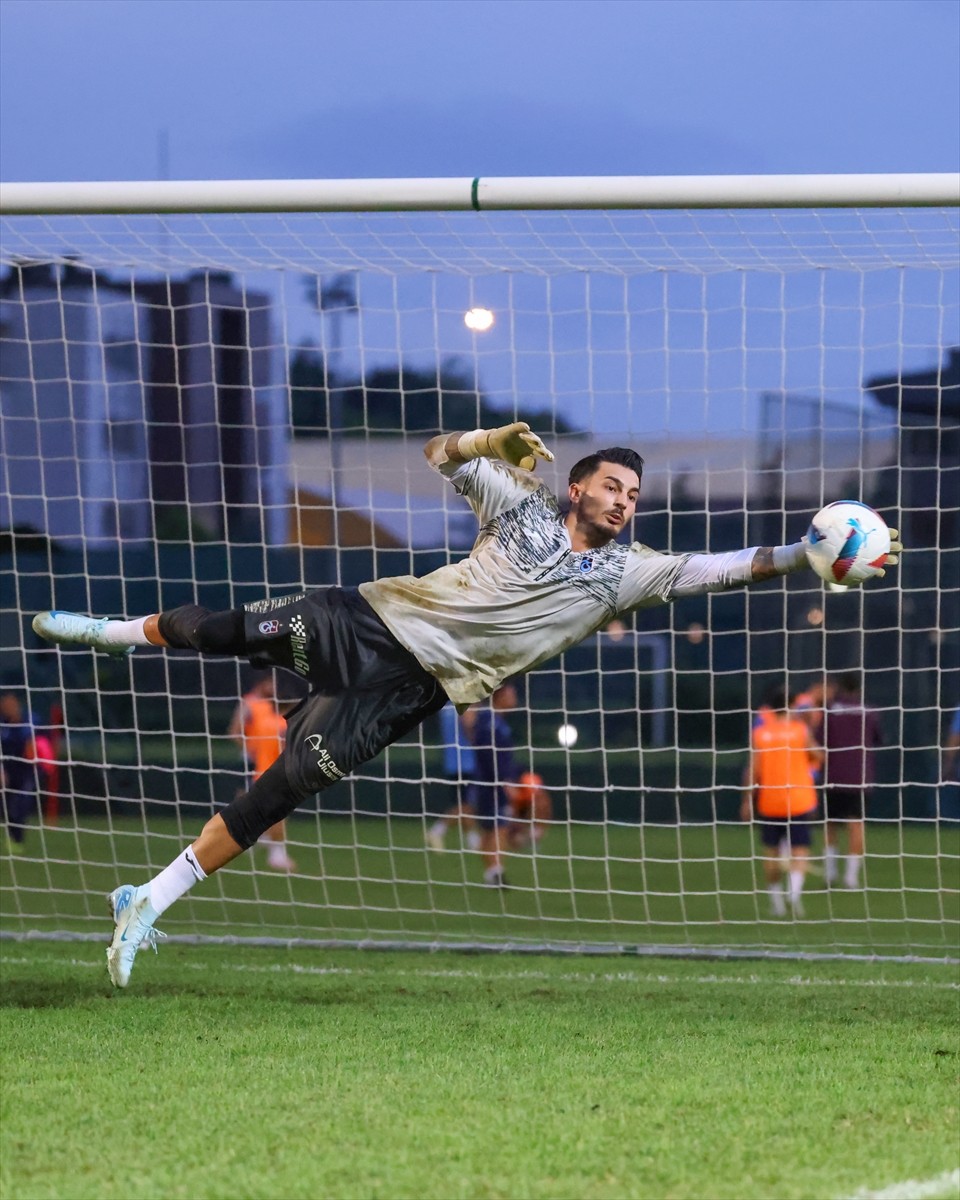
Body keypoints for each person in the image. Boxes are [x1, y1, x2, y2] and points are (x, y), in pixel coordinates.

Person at [31, 419, 903, 986]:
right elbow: (437, 455)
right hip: (372, 621)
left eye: (634, 496)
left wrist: (804, 554)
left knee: (281, 789)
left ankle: (146, 898)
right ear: (577, 487)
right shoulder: (516, 502)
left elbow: (729, 567)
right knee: (230, 630)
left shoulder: (630, 576)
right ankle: (111, 631)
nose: (625, 501)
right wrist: (491, 442)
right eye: (612, 487)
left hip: (417, 692)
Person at [741, 684, 823, 916]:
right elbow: (818, 755)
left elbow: (753, 770)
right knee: (800, 850)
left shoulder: (760, 734)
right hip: (798, 799)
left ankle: (776, 903)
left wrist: (747, 800)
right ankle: (793, 895)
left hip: (770, 801)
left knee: (771, 854)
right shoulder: (800, 731)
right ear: (790, 706)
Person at [227, 674, 296, 872]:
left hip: (269, 760)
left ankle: (254, 836)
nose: (273, 687)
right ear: (262, 683)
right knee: (253, 802)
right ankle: (268, 847)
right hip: (255, 761)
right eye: (270, 683)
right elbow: (235, 730)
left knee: (257, 803)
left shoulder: (271, 707)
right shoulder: (250, 703)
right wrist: (250, 750)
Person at [822, 672, 883, 889]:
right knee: (856, 825)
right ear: (859, 688)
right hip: (860, 777)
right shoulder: (870, 712)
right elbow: (877, 739)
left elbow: (821, 740)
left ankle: (830, 874)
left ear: (839, 686)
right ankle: (851, 878)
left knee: (830, 825)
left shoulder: (830, 711)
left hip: (834, 776)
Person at [470, 679, 520, 887]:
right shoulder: (489, 722)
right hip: (490, 784)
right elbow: (489, 756)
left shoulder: (496, 721)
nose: (515, 698)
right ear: (500, 697)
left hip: (492, 783)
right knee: (498, 828)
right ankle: (495, 871)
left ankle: (494, 872)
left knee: (495, 829)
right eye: (511, 694)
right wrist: (505, 781)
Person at [426, 702, 480, 852]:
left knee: (464, 803)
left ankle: (473, 841)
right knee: (466, 805)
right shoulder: (467, 702)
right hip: (468, 761)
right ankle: (437, 830)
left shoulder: (445, 707)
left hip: (451, 761)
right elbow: (470, 728)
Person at [0, 692, 38, 855]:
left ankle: (17, 840)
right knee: (6, 808)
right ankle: (11, 838)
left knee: (20, 807)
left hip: (24, 773)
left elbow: (33, 748)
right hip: (5, 771)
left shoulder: (29, 721)